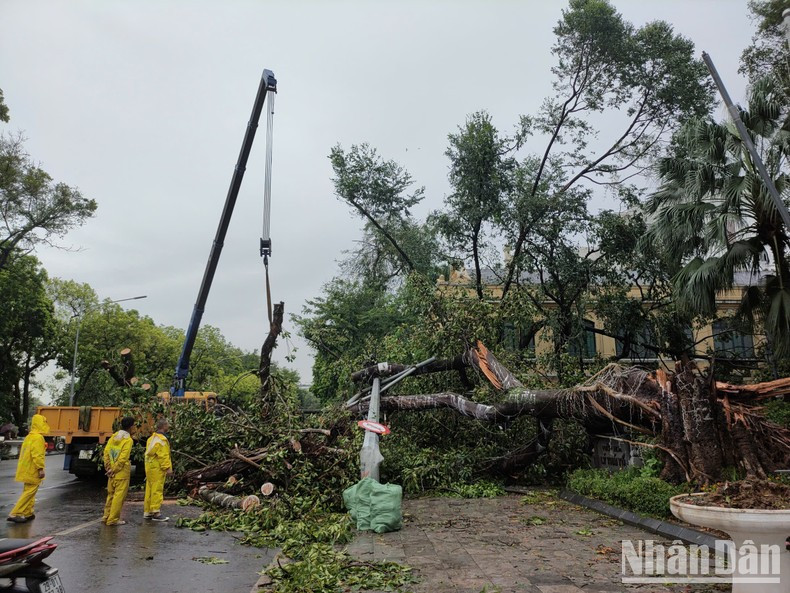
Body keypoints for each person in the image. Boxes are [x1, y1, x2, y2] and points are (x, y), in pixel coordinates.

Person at [6, 414, 49, 523]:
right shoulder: (38, 438)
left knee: (29, 491)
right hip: (32, 469)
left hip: (25, 469)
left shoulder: (29, 436)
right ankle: (15, 513)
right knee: (29, 492)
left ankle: (28, 512)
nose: (46, 425)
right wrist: (40, 469)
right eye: (44, 422)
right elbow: (37, 455)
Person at [102, 416, 135, 526]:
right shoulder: (128, 440)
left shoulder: (114, 436)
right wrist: (114, 469)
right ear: (131, 427)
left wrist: (108, 467)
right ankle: (113, 519)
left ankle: (106, 516)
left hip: (111, 471)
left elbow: (106, 452)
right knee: (119, 496)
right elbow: (123, 458)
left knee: (111, 494)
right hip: (121, 472)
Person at [143, 417, 173, 522]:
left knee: (150, 489)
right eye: (168, 424)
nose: (169, 426)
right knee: (157, 489)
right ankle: (156, 512)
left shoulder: (151, 438)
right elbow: (163, 455)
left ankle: (148, 511)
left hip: (149, 467)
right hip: (157, 468)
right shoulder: (162, 440)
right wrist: (167, 468)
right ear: (164, 426)